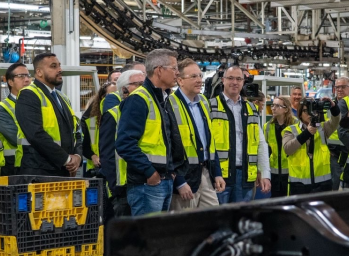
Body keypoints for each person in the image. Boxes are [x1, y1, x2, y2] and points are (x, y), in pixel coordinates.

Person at [116, 49, 184, 215]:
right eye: (174, 68)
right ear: (159, 70)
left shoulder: (163, 98)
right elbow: (125, 143)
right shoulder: (139, 99)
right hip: (147, 183)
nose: (177, 73)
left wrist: (172, 171)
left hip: (163, 179)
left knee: (157, 237)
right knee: (145, 237)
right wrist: (149, 172)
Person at [167, 59, 225, 211]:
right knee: (185, 228)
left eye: (200, 75)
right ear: (180, 80)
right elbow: (169, 147)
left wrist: (217, 172)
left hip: (206, 173)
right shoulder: (169, 104)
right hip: (184, 176)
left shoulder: (204, 102)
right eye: (193, 76)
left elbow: (210, 142)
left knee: (213, 221)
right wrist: (178, 181)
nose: (199, 80)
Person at [209, 65, 271, 203]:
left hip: (245, 177)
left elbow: (260, 143)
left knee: (242, 221)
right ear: (223, 80)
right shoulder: (210, 106)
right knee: (219, 221)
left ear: (243, 82)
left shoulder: (251, 109)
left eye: (238, 79)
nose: (235, 82)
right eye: (230, 78)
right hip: (219, 177)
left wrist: (265, 173)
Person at [15, 53, 82, 177]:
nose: (60, 70)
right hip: (39, 170)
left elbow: (76, 130)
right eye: (54, 66)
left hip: (64, 169)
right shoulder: (28, 95)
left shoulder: (62, 97)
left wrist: (77, 156)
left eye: (59, 66)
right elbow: (35, 134)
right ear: (39, 72)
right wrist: (67, 159)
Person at [99, 69, 146, 219]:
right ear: (124, 89)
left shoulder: (148, 112)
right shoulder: (113, 115)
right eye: (137, 84)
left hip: (144, 183)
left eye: (144, 84)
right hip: (122, 188)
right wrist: (115, 188)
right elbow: (107, 154)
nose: (142, 88)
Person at [283, 96, 341, 195]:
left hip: (323, 184)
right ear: (300, 113)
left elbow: (336, 120)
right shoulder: (290, 130)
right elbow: (288, 149)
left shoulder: (322, 128)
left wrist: (333, 106)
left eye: (313, 110)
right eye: (306, 111)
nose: (310, 114)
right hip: (299, 186)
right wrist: (307, 133)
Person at [0, 62, 32, 175]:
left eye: (28, 75)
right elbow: (15, 138)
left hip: (36, 163)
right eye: (21, 76)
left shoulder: (36, 105)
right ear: (10, 82)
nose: (27, 80)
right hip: (14, 166)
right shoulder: (2, 108)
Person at [266, 96, 297, 198]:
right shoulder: (267, 126)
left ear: (286, 109)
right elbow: (267, 150)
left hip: (292, 171)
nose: (273, 108)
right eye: (273, 105)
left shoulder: (295, 124)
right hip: (274, 172)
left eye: (277, 106)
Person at [327, 77, 349, 190]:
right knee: (334, 183)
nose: (340, 90)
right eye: (337, 87)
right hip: (333, 153)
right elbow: (321, 128)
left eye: (343, 87)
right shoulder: (328, 106)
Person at [81, 82, 111, 177]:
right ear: (102, 97)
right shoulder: (92, 122)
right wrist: (92, 156)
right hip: (96, 170)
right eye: (111, 95)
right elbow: (85, 147)